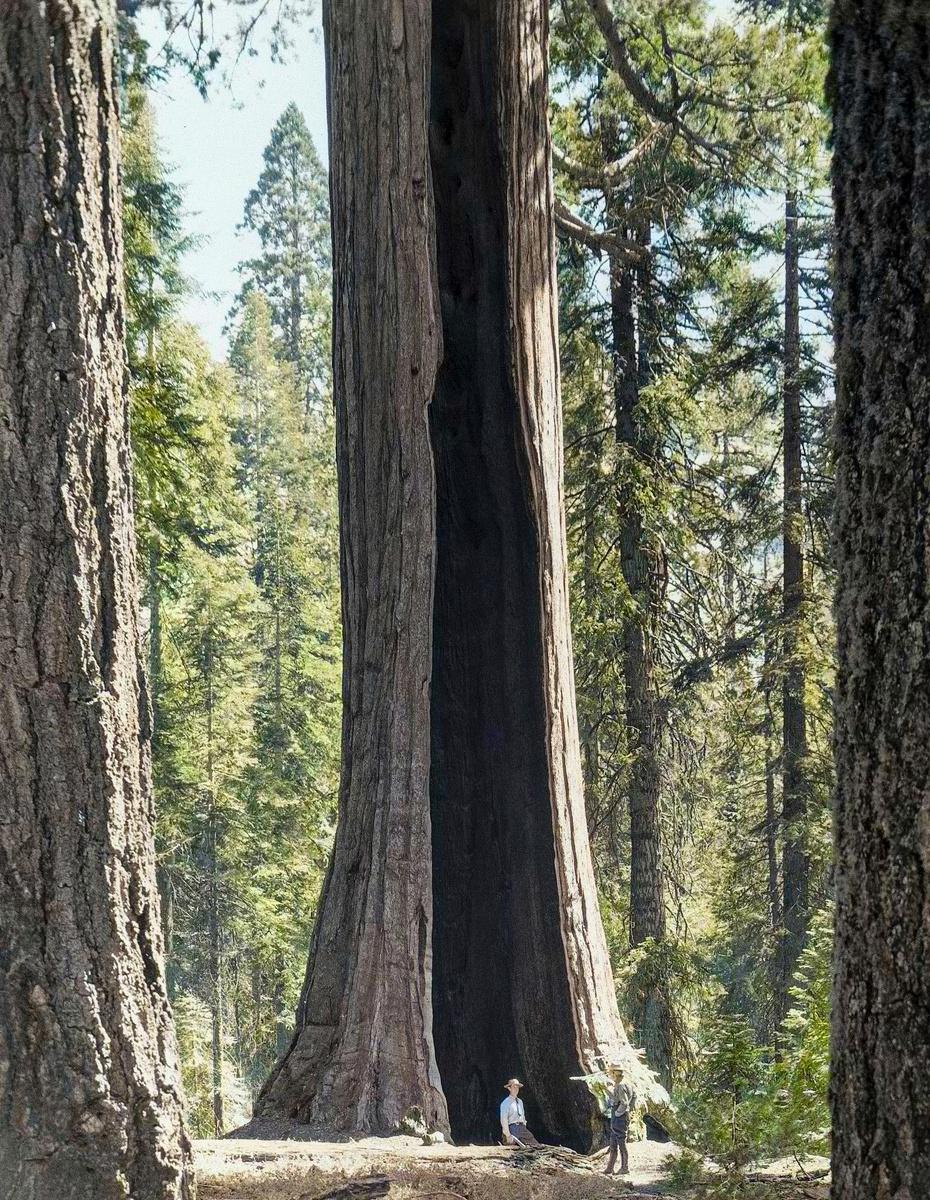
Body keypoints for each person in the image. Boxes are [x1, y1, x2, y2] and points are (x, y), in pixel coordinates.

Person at [604, 1064, 636, 1176]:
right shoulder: (627, 1083)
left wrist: (618, 1113)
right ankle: (610, 1168)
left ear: (615, 1073)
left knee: (620, 1141)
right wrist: (607, 1090)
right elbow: (634, 1098)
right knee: (613, 1140)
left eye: (611, 1072)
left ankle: (624, 1168)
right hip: (622, 1114)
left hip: (619, 1116)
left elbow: (624, 1102)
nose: (610, 1075)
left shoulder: (620, 1086)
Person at [499, 1078, 541, 1147]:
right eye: (514, 1087)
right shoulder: (505, 1103)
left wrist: (524, 1125)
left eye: (517, 1087)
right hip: (512, 1128)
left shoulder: (520, 1101)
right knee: (511, 1149)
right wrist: (508, 1135)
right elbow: (504, 1120)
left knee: (535, 1145)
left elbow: (523, 1116)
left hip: (522, 1128)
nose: (516, 1089)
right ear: (509, 1088)